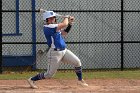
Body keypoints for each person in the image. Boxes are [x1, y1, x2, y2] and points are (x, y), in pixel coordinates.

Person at [27, 11, 88, 89]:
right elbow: (64, 24)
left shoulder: (55, 27)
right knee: (49, 74)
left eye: (53, 17)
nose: (52, 19)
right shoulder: (48, 27)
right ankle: (31, 79)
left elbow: (65, 33)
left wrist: (70, 24)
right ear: (47, 20)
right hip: (54, 53)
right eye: (50, 18)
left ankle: (80, 81)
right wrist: (66, 17)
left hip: (64, 51)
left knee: (77, 62)